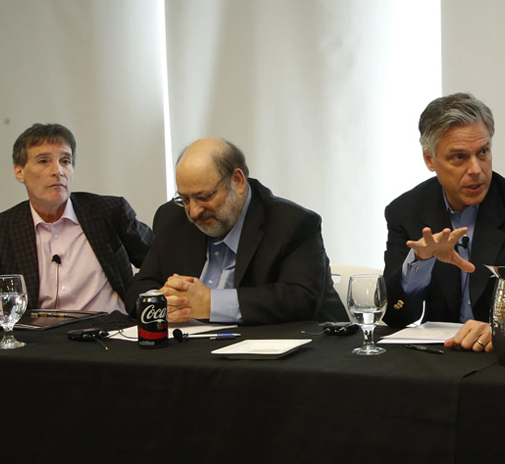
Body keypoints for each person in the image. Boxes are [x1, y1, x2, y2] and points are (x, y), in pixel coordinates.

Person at [383, 92, 505, 351]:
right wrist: (420, 262)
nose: (476, 169)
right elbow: (395, 316)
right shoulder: (405, 211)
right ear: (430, 159)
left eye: (482, 152)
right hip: (440, 358)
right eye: (459, 157)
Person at [127, 138, 345, 325]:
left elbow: (301, 300)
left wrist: (210, 303)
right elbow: (139, 288)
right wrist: (164, 302)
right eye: (184, 199)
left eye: (204, 197)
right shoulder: (172, 218)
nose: (193, 212)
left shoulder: (292, 223)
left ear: (238, 181)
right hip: (193, 350)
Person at [0, 123, 153, 313]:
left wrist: (142, 298)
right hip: (41, 331)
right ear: (19, 172)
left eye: (65, 161)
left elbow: (158, 262)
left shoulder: (108, 211)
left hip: (113, 326)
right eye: (43, 161)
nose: (58, 171)